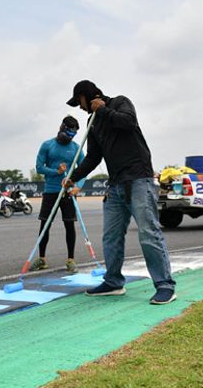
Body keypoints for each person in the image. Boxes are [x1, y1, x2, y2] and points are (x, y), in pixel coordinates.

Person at [62, 80, 177, 305]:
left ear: (87, 96)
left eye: (80, 102)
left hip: (138, 180)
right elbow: (94, 157)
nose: (80, 107)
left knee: (148, 233)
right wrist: (73, 177)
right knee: (111, 236)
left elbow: (129, 123)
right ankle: (113, 282)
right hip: (115, 185)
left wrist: (102, 110)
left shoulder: (119, 103)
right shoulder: (92, 121)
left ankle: (165, 285)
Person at [30, 116, 85, 273]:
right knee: (45, 225)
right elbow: (39, 167)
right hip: (51, 191)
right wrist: (57, 171)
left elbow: (84, 169)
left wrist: (78, 186)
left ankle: (70, 260)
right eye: (68, 133)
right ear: (62, 127)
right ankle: (42, 259)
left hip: (68, 193)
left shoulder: (76, 148)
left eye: (73, 135)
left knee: (69, 224)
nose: (70, 137)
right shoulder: (48, 145)